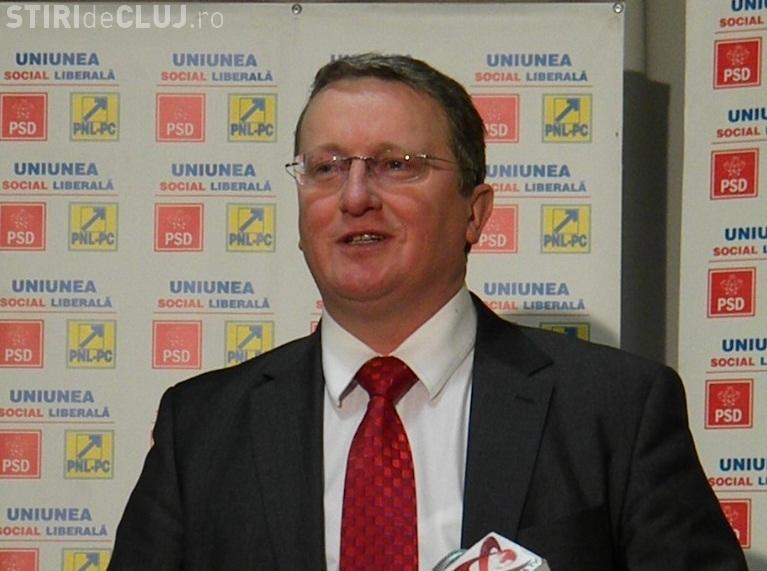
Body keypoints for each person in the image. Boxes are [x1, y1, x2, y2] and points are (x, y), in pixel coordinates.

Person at [108, 53, 747, 570]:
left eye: (396, 165)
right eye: (326, 167)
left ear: (475, 212)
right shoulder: (202, 427)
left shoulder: (616, 410)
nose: (355, 196)